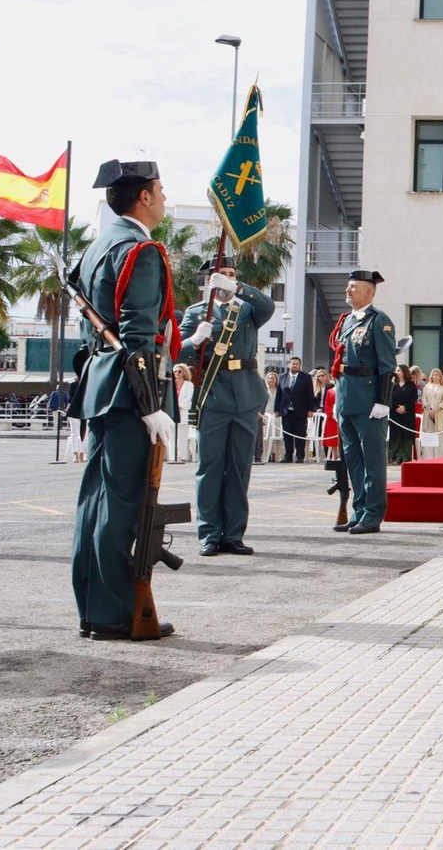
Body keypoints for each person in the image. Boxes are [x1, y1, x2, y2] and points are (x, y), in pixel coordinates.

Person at [70, 160, 178, 640]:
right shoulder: (141, 250)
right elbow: (139, 336)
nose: (164, 198)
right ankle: (115, 613)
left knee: (96, 502)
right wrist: (151, 403)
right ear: (144, 197)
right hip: (128, 391)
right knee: (122, 504)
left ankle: (95, 608)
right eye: (160, 189)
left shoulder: (97, 246)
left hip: (101, 384)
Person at [177, 258, 276, 557]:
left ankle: (233, 534)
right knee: (210, 468)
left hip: (245, 395)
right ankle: (209, 534)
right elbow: (176, 351)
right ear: (208, 281)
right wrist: (194, 341)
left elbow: (268, 307)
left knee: (239, 468)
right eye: (222, 276)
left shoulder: (247, 309)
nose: (227, 280)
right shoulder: (196, 313)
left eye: (232, 276)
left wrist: (239, 288)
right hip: (213, 396)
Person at [328, 270, 397, 534]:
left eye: (353, 287)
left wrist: (383, 401)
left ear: (368, 292)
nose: (347, 291)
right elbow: (340, 363)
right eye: (347, 286)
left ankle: (373, 515)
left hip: (369, 401)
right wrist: (337, 399)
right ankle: (359, 510)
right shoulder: (346, 321)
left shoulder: (379, 321)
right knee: (354, 461)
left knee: (373, 462)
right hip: (347, 399)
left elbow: (387, 366)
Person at [275, 356, 314, 463]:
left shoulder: (306, 377)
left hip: (300, 411)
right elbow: (279, 394)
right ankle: (288, 456)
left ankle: (300, 456)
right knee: (287, 434)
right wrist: (276, 409)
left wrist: (311, 409)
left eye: (297, 364)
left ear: (299, 365)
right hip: (286, 411)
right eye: (293, 364)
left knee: (300, 434)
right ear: (289, 365)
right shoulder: (282, 377)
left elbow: (310, 395)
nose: (295, 365)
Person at [388, 364, 419, 464]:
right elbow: (390, 398)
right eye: (396, 371)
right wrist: (397, 407)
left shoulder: (411, 385)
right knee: (396, 433)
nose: (396, 372)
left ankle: (406, 456)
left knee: (406, 434)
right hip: (395, 413)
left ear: (404, 372)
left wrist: (404, 407)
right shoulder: (393, 385)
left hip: (407, 413)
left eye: (398, 371)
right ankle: (395, 456)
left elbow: (413, 398)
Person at [172, 364, 194, 462]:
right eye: (175, 371)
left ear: (184, 372)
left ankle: (183, 456)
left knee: (182, 435)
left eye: (179, 371)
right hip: (172, 412)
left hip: (183, 411)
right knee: (172, 435)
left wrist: (179, 406)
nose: (177, 373)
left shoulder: (189, 384)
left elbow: (189, 398)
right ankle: (173, 455)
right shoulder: (172, 384)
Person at [257, 370, 280, 463]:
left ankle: (275, 455)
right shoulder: (264, 389)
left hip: (276, 414)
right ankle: (266, 454)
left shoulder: (279, 389)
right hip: (266, 413)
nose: (271, 380)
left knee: (276, 435)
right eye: (270, 378)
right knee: (266, 435)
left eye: (273, 378)